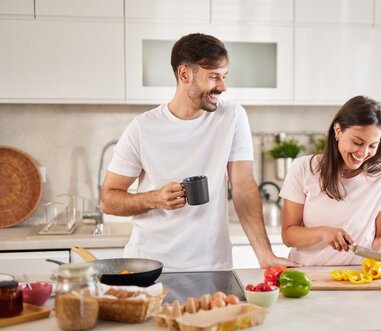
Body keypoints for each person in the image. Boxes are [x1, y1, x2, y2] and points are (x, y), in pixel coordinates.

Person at [100, 33, 296, 270]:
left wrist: (264, 254)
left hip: (212, 265)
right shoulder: (142, 128)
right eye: (214, 77)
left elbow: (243, 187)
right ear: (184, 74)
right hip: (151, 266)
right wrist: (155, 198)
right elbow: (108, 200)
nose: (222, 87)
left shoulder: (232, 117)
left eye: (224, 77)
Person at [280, 96, 381, 266]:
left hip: (357, 276)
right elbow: (288, 235)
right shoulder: (303, 168)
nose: (363, 153)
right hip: (307, 275)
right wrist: (323, 233)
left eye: (372, 146)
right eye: (358, 142)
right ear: (338, 131)